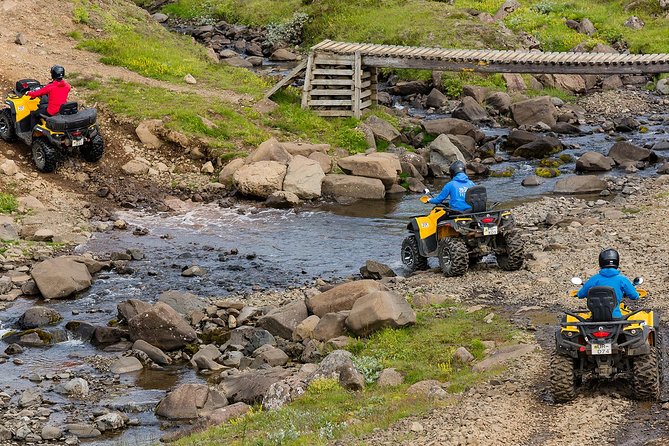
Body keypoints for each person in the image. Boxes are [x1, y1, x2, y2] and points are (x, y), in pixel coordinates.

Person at [577, 248, 639, 318]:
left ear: (601, 262)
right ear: (617, 261)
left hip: (595, 318)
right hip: (615, 317)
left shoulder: (594, 279)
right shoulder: (622, 279)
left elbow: (580, 295)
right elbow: (634, 296)